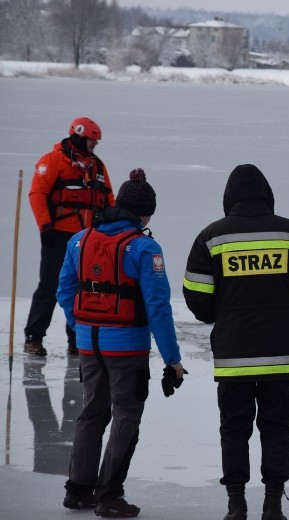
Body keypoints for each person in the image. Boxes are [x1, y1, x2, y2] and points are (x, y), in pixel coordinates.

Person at [183, 164, 289, 520]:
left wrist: (225, 314)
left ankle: (236, 505)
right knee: (277, 430)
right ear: (267, 194)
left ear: (228, 197)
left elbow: (196, 297)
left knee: (234, 430)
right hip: (281, 354)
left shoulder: (211, 237)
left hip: (233, 357)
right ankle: (273, 504)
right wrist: (287, 311)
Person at [57, 168, 184, 518]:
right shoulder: (144, 248)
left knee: (91, 412)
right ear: (145, 213)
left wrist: (82, 327)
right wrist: (173, 360)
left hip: (89, 344)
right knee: (126, 416)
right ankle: (109, 495)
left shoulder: (79, 240)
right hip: (126, 348)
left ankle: (78, 490)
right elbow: (157, 308)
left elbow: (65, 292)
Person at [25, 116, 114, 356]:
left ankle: (77, 339)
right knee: (50, 286)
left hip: (88, 239)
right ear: (79, 136)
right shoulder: (53, 161)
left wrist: (113, 230)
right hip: (58, 237)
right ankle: (34, 337)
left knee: (83, 288)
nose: (94, 145)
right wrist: (45, 228)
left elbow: (108, 200)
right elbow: (37, 194)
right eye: (91, 141)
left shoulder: (97, 166)